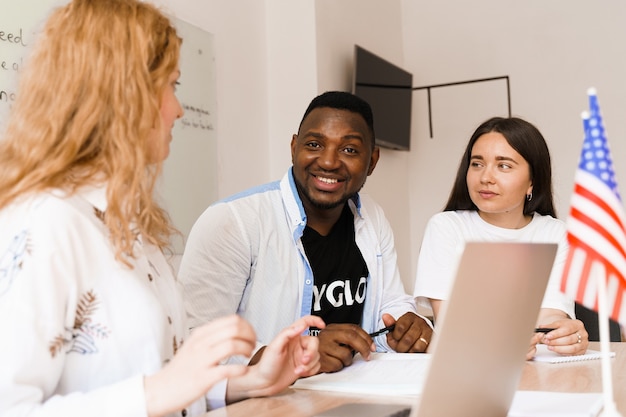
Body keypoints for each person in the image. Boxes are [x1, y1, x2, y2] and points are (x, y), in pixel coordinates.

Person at [0, 1, 324, 416]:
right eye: (171, 85)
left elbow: (162, 383)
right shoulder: (43, 222)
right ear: (123, 93)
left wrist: (249, 381)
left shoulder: (126, 224)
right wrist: (161, 390)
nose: (178, 109)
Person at [179, 91, 433, 374]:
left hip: (354, 392)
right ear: (294, 147)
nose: (328, 161)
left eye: (349, 150)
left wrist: (405, 325)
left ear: (372, 161)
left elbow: (390, 302)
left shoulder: (372, 217)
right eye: (314, 144)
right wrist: (295, 355)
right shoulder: (233, 222)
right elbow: (195, 340)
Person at [413, 116, 589, 359]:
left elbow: (551, 316)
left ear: (532, 182)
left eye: (503, 165)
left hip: (535, 368)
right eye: (477, 164)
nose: (486, 177)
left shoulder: (555, 233)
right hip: (463, 368)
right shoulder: (446, 227)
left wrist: (565, 335)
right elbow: (452, 323)